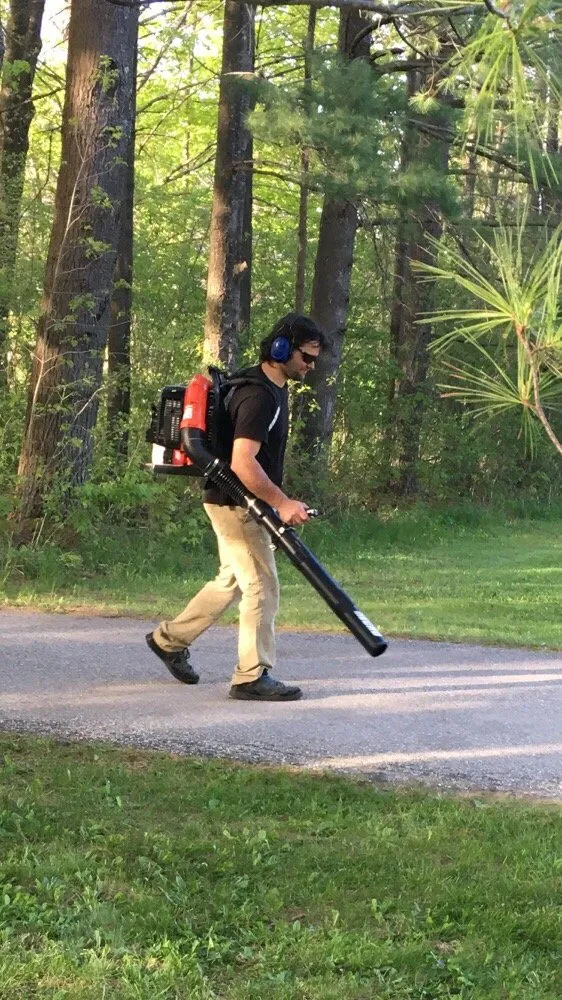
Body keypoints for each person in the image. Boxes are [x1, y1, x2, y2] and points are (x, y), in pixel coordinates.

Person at [145, 313, 328, 701]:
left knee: (231, 579)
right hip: (237, 503)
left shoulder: (267, 387)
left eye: (315, 359)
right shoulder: (259, 396)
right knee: (262, 585)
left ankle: (169, 640)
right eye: (307, 357)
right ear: (281, 349)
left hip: (229, 500)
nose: (311, 366)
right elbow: (244, 462)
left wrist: (277, 501)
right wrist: (281, 502)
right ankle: (251, 676)